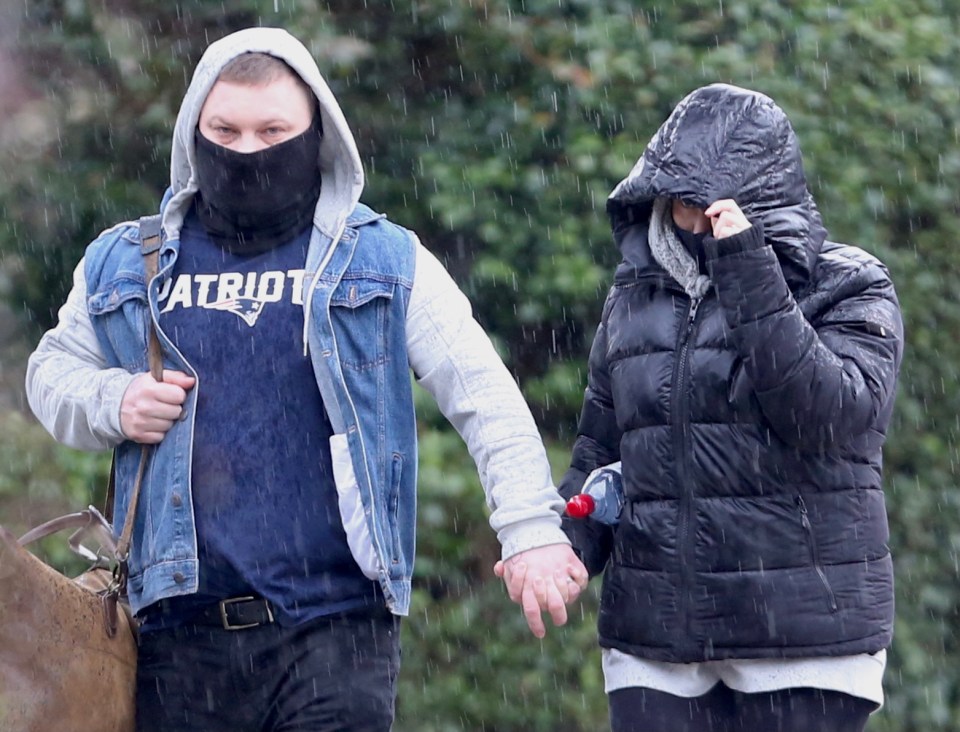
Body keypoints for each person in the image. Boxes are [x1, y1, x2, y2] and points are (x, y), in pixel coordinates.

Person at [25, 27, 587, 732]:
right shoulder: (123, 261)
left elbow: (484, 397)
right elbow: (49, 374)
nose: (248, 149)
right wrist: (113, 399)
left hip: (338, 629)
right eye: (224, 129)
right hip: (177, 633)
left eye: (273, 130)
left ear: (315, 133)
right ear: (193, 130)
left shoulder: (384, 259)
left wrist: (530, 530)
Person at [553, 83, 903, 731]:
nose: (690, 222)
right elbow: (605, 449)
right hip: (656, 639)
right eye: (678, 202)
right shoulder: (632, 295)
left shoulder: (850, 282)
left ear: (763, 197)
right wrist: (566, 545)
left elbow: (831, 418)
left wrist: (747, 268)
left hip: (804, 640)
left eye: (707, 204)